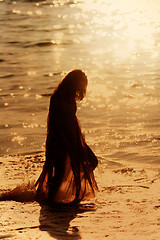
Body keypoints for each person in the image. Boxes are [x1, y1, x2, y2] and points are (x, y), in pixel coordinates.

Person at [35, 69, 98, 205]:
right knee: (58, 173)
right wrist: (64, 141)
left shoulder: (69, 96)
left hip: (73, 137)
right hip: (59, 139)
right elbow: (55, 121)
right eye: (82, 83)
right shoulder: (57, 97)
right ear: (74, 82)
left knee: (92, 161)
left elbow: (71, 120)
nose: (83, 87)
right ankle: (49, 202)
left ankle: (72, 190)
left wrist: (77, 139)